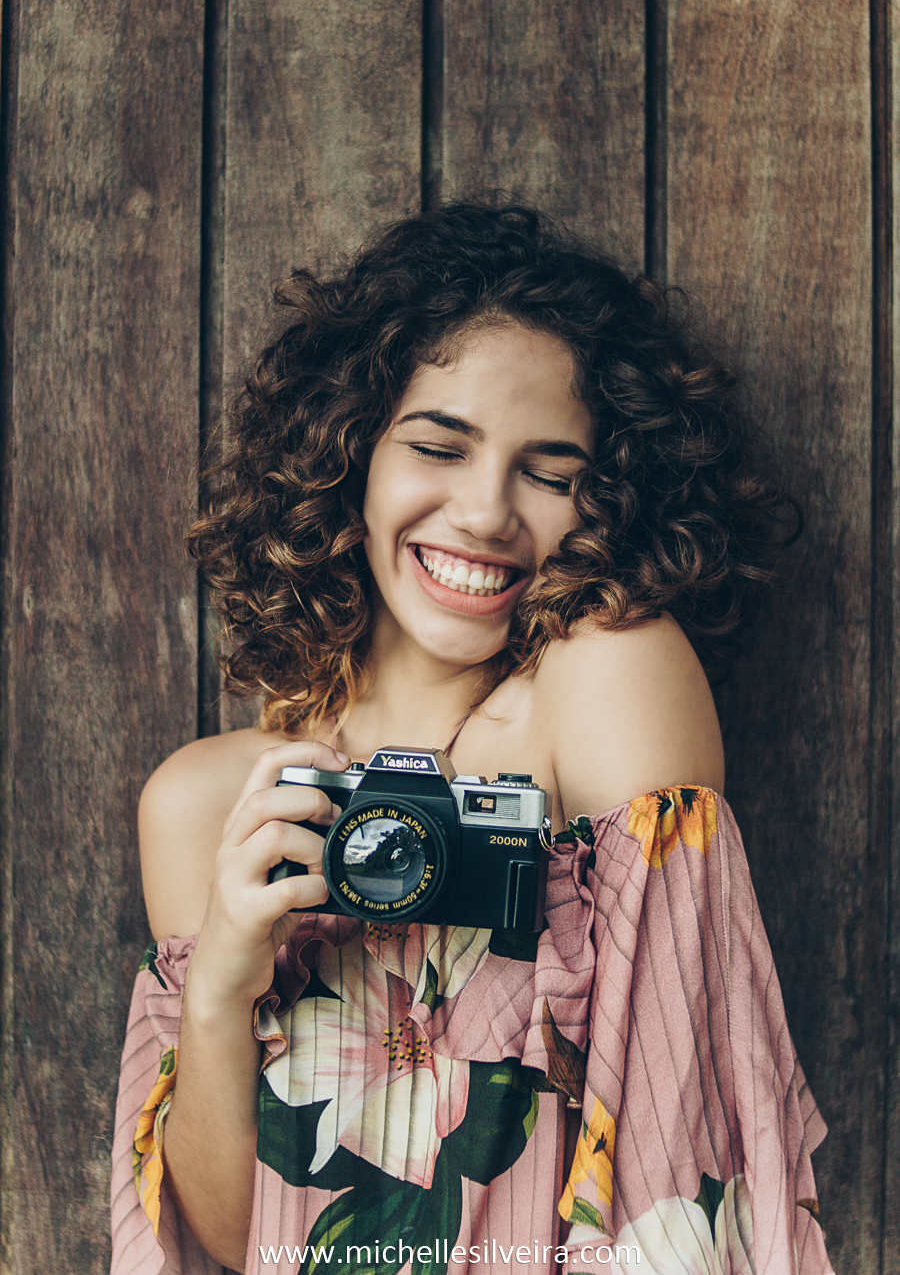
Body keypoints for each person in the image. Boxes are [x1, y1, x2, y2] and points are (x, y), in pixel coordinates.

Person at [110, 202, 833, 1274]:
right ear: (348, 455)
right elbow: (226, 1242)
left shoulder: (605, 678)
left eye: (550, 472)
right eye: (440, 446)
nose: (487, 514)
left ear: (607, 500)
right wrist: (222, 980)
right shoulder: (211, 799)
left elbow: (687, 1163)